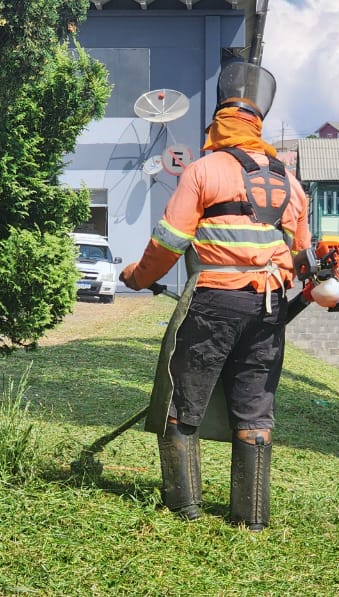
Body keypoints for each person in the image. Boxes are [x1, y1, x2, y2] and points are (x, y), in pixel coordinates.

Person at [118, 62, 310, 531]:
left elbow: (168, 241)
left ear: (217, 125)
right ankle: (252, 520)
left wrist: (137, 278)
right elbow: (303, 258)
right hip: (270, 306)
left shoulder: (205, 171)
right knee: (255, 410)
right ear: (258, 126)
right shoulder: (291, 182)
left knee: (183, 401)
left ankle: (184, 509)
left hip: (214, 302)